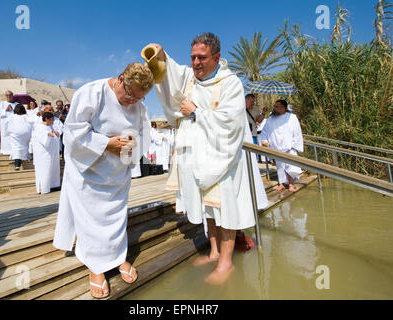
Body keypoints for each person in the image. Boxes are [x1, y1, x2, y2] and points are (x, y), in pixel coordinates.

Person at [149, 32, 257, 285]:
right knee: (209, 207)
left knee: (223, 208)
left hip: (223, 158)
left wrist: (196, 112)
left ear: (217, 57)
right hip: (196, 157)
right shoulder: (190, 78)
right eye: (193, 57)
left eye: (202, 58)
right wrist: (161, 54)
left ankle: (226, 262)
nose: (196, 63)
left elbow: (231, 122)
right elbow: (172, 73)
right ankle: (214, 252)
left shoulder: (230, 83)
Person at [53, 62, 153, 299]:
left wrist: (130, 146)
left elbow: (143, 135)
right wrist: (106, 144)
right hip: (89, 171)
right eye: (128, 96)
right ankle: (95, 267)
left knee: (116, 219)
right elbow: (74, 132)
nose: (131, 102)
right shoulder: (92, 93)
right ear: (120, 79)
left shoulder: (138, 105)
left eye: (138, 99)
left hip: (118, 173)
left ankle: (118, 257)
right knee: (91, 220)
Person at [260, 99, 303, 193]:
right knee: (280, 167)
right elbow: (265, 132)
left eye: (276, 106)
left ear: (283, 108)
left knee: (291, 167)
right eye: (274, 106)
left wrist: (294, 144)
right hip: (276, 147)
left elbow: (297, 132)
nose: (274, 108)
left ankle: (291, 184)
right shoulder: (270, 119)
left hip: (289, 147)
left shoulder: (291, 117)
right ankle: (282, 183)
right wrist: (264, 141)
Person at [31, 112, 61, 194]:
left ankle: (53, 185)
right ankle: (44, 187)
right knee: (45, 170)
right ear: (47, 119)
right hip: (44, 154)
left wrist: (56, 134)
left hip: (52, 153)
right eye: (52, 119)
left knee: (53, 169)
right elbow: (41, 138)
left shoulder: (50, 126)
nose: (53, 121)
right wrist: (47, 134)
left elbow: (55, 133)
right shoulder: (39, 127)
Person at [4, 104, 33, 170]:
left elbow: (6, 124)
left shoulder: (12, 116)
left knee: (16, 147)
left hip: (15, 134)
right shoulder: (26, 116)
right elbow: (32, 122)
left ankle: (17, 164)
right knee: (25, 146)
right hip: (26, 133)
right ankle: (25, 157)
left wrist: (7, 133)